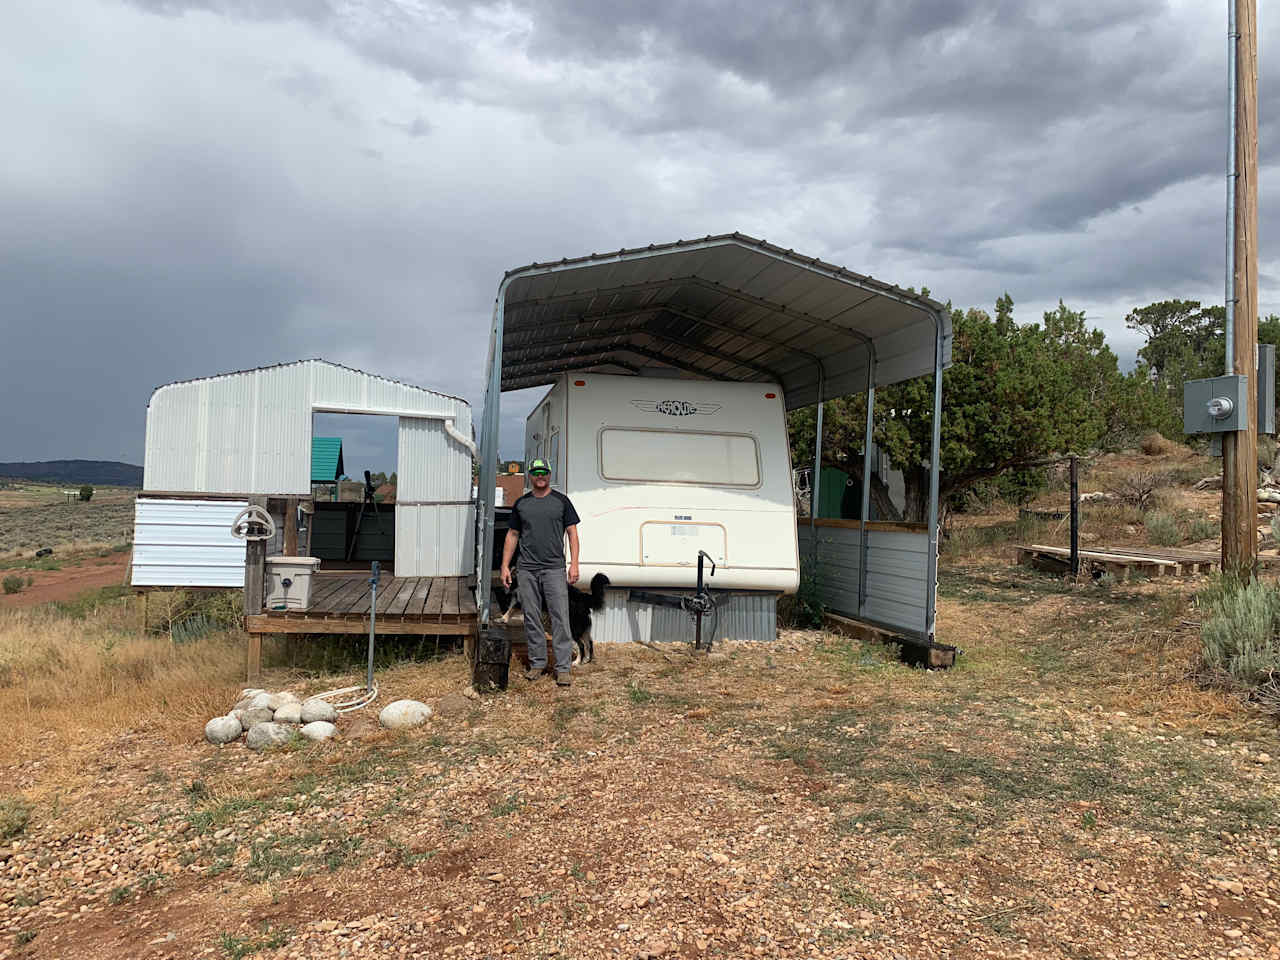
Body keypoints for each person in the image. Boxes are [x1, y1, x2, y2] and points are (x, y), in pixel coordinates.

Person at [500, 458, 581, 687]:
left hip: (554, 568)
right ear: (530, 475)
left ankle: (563, 668)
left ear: (549, 474)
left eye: (543, 472)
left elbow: (572, 534)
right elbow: (512, 535)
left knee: (560, 618)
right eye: (535, 472)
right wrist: (506, 565)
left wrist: (574, 564)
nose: (540, 476)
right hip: (526, 569)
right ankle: (537, 664)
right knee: (532, 618)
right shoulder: (522, 504)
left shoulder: (561, 502)